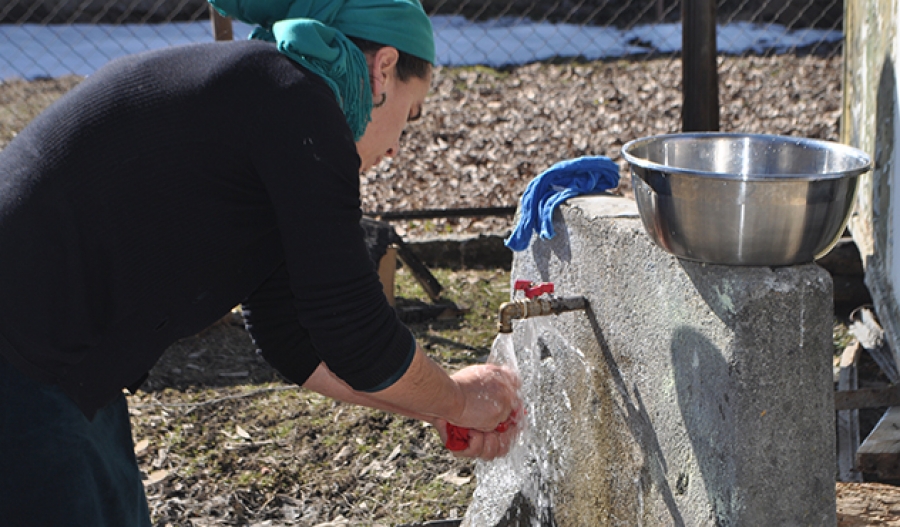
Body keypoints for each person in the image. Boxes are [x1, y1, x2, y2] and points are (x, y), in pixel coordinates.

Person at [0, 0, 522, 524]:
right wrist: (455, 399)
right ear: (383, 68)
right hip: (24, 355)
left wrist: (434, 405)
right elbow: (352, 328)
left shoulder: (269, 101)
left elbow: (289, 338)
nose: (395, 150)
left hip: (65, 364)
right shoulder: (297, 100)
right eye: (410, 115)